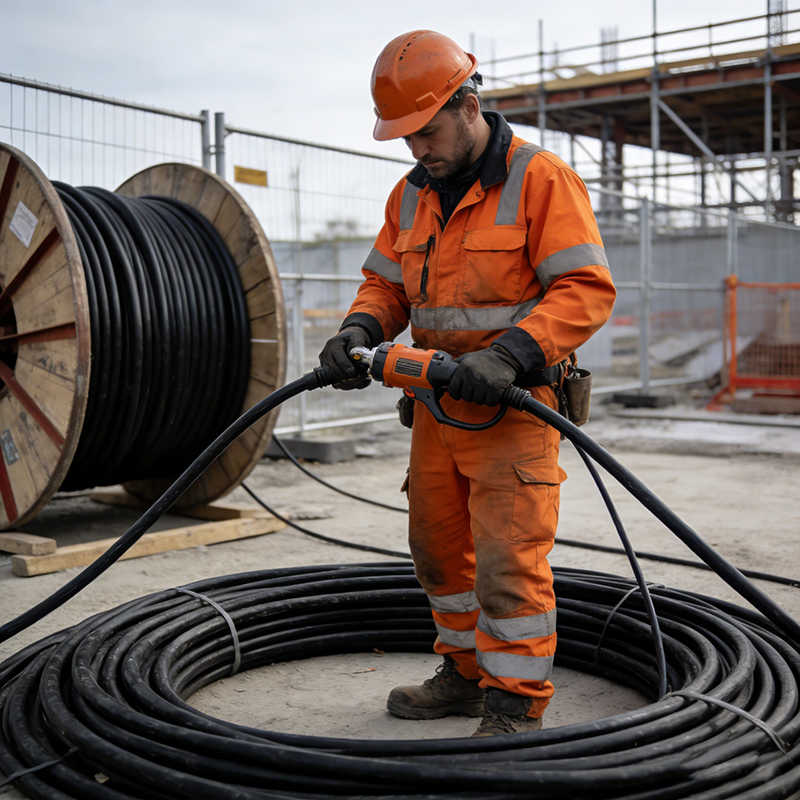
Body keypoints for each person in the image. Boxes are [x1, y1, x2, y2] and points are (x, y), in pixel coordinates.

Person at [319, 30, 616, 736]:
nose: (417, 149)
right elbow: (384, 283)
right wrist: (359, 332)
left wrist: (512, 353)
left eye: (425, 131)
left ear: (469, 105)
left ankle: (514, 705)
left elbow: (585, 287)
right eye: (405, 138)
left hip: (512, 411)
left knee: (509, 563)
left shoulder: (540, 180)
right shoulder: (410, 194)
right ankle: (464, 674)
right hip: (434, 409)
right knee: (437, 548)